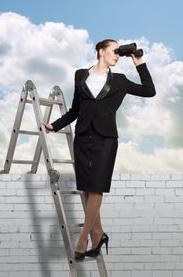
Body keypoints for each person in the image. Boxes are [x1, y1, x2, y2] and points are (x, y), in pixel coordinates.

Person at [42, 39, 156, 261]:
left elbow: (149, 91)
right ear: (101, 51)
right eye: (114, 51)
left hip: (106, 140)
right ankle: (98, 233)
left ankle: (83, 238)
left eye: (119, 53)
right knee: (86, 188)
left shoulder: (120, 81)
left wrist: (138, 63)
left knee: (96, 188)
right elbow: (76, 109)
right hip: (83, 137)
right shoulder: (80, 75)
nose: (117, 56)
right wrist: (54, 125)